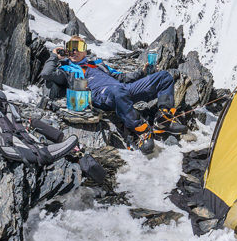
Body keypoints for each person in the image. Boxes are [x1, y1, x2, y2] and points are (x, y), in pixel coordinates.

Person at [39, 36, 187, 154]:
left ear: (85, 50)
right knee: (118, 92)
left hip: (123, 88)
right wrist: (54, 56)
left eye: (79, 47)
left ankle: (163, 120)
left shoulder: (97, 64)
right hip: (100, 95)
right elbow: (46, 73)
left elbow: (121, 77)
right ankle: (141, 130)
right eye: (71, 48)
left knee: (164, 77)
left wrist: (142, 72)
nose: (75, 51)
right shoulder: (67, 70)